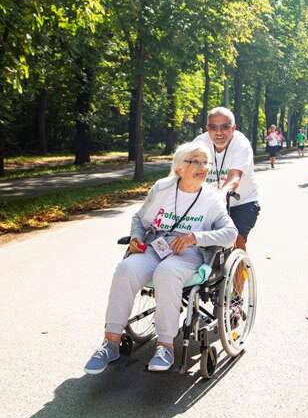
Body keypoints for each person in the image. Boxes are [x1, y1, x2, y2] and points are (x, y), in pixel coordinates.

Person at [84, 141, 237, 374]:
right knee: (126, 269)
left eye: (205, 162)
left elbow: (230, 234)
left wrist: (195, 237)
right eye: (194, 161)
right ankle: (111, 342)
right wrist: (136, 238)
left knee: (166, 273)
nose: (202, 166)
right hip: (156, 246)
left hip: (190, 253)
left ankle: (165, 345)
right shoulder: (162, 188)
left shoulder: (212, 198)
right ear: (179, 168)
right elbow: (139, 220)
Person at [194, 107, 259, 251]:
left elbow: (234, 178)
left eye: (225, 127)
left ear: (233, 128)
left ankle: (241, 271)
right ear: (207, 128)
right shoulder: (199, 144)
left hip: (242, 202)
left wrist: (221, 195)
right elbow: (187, 173)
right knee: (200, 244)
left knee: (235, 242)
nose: (218, 132)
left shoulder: (241, 145)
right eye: (213, 127)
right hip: (210, 203)